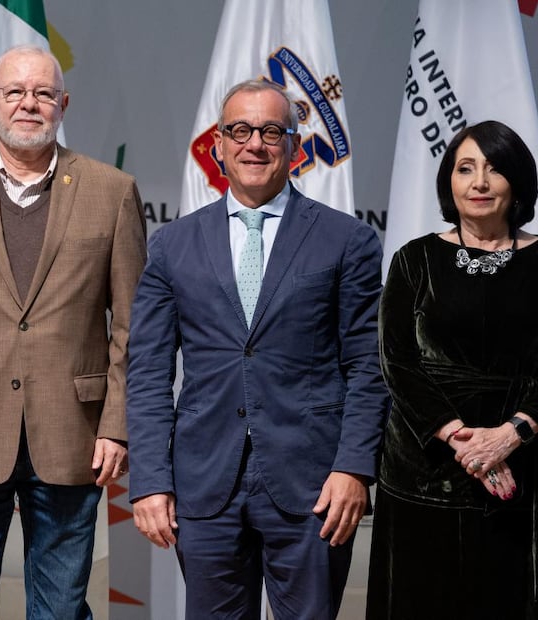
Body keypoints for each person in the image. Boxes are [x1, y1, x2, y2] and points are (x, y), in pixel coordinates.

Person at [126, 79, 390, 619]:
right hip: (204, 484)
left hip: (315, 483)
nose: (255, 144)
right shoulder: (172, 245)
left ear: (295, 147)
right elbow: (148, 372)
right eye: (240, 130)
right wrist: (149, 480)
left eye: (272, 131)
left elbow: (369, 366)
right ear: (218, 145)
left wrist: (355, 467)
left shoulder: (347, 240)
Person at [0, 44, 147, 619]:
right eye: (14, 92)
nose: (28, 104)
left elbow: (133, 325)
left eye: (42, 93)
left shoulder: (112, 192)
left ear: (64, 103)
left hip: (72, 435)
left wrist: (117, 425)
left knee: (60, 611)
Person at [366, 120, 538, 619]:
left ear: (519, 182)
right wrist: (462, 439)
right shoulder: (414, 260)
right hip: (428, 473)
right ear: (448, 181)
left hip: (531, 475)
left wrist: (510, 435)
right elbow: (397, 361)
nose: (480, 182)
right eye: (465, 168)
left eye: (495, 169)